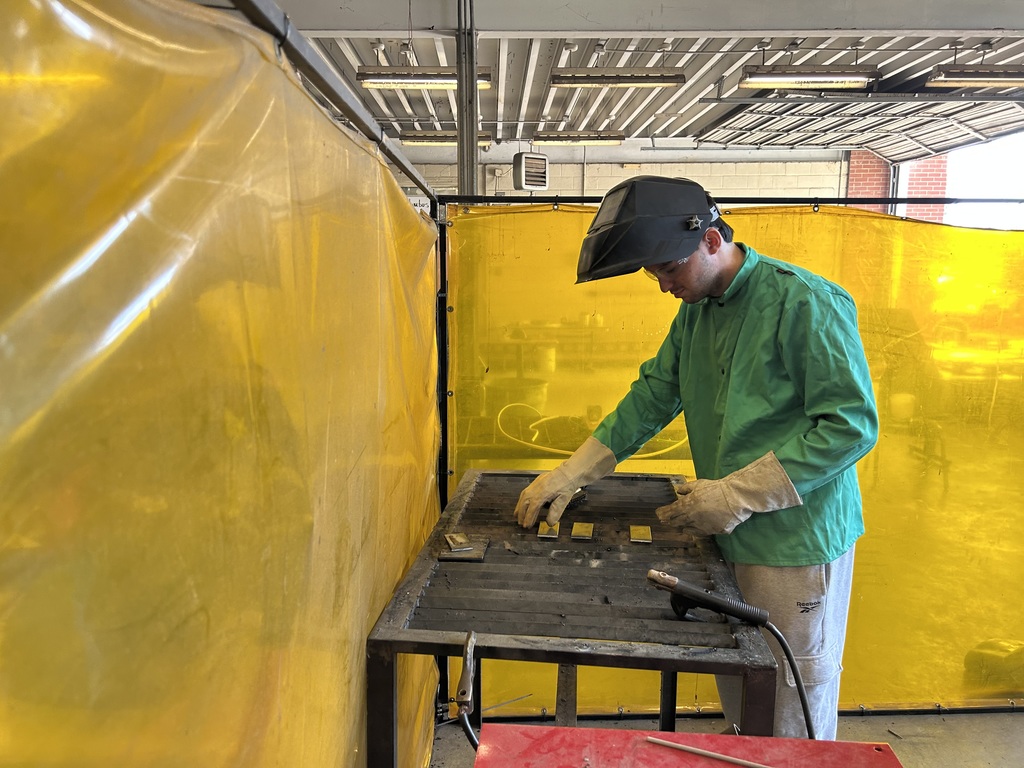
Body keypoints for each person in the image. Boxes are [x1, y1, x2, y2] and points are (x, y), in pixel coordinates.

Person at [513, 176, 879, 740]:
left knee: (788, 705)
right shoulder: (699, 310)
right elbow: (655, 393)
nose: (662, 285)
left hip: (792, 542)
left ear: (710, 239)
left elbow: (851, 426)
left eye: (669, 269)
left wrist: (735, 494)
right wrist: (572, 471)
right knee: (743, 692)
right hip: (728, 530)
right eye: (653, 273)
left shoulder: (804, 300)